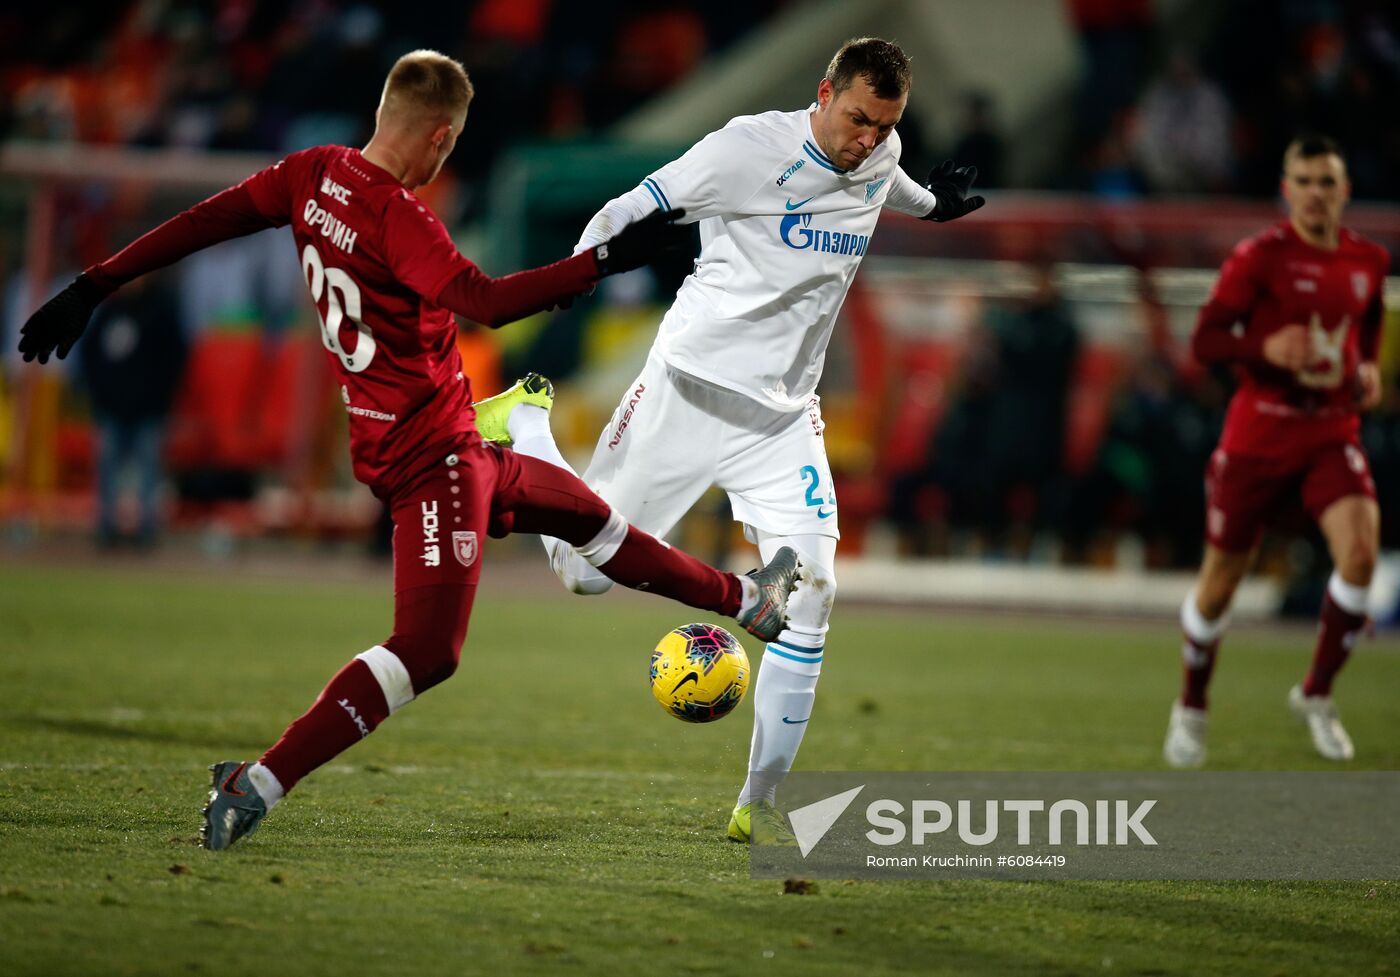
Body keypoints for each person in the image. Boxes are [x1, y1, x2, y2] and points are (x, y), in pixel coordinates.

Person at [18, 50, 801, 850]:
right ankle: (254, 781)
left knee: (590, 521)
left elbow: (203, 221)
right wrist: (602, 261)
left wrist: (94, 282)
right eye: (448, 149)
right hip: (434, 461)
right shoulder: (399, 216)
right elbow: (486, 303)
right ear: (440, 137)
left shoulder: (310, 174)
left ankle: (748, 602)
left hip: (431, 439)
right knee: (428, 648)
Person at [495, 37, 985, 843]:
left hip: (783, 420)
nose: (867, 139)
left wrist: (931, 205)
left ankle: (756, 804)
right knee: (583, 577)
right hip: (685, 392)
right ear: (824, 93)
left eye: (884, 124)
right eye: (857, 119)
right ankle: (528, 423)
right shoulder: (745, 148)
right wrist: (580, 272)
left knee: (816, 597)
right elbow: (628, 206)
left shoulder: (881, 147)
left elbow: (882, 180)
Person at [1163, 134, 1389, 767]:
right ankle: (1192, 706)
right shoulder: (1259, 258)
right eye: (1305, 181)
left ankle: (1316, 693)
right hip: (1258, 436)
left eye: (1328, 181)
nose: (1317, 193)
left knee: (1362, 556)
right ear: (1287, 190)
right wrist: (1264, 350)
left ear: (1345, 191)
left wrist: (1367, 368)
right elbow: (1206, 342)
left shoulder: (1369, 259)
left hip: (1329, 433)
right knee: (1219, 587)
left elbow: (1367, 323)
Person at [76, 274, 188, 548]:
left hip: (149, 409)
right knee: (107, 466)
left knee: (148, 469)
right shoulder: (108, 312)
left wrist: (160, 399)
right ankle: (107, 526)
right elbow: (88, 357)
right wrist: (99, 396)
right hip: (112, 408)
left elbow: (174, 361)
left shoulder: (162, 312)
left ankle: (147, 529)